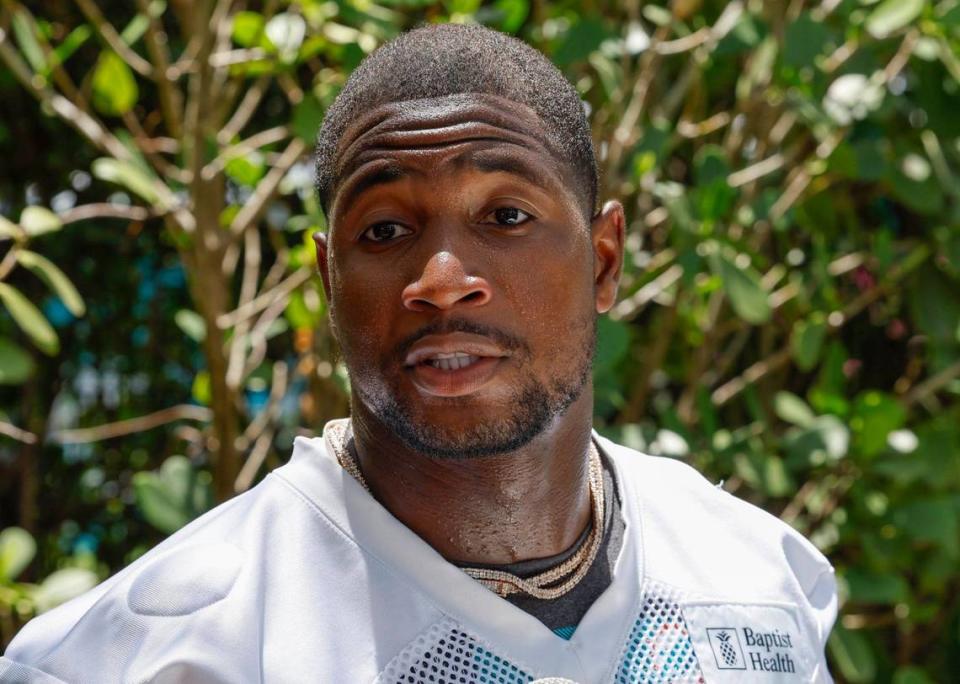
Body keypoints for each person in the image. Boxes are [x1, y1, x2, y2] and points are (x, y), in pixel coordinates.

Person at [1, 23, 836, 683]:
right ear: (330, 279)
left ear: (605, 262)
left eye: (505, 216)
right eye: (387, 230)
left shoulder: (757, 579)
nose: (441, 281)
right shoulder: (161, 654)